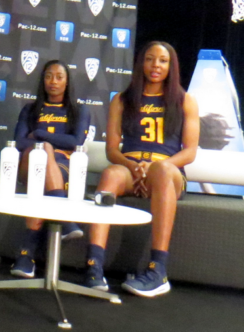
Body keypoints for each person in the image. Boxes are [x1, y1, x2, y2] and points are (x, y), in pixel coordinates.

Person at [84, 41, 200, 297]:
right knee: (110, 173)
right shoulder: (122, 99)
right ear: (141, 63)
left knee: (160, 170)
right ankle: (94, 266)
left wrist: (159, 165)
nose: (155, 65)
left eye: (162, 60)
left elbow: (190, 152)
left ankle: (158, 271)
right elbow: (112, 150)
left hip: (168, 172)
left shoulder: (185, 100)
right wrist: (132, 166)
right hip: (132, 169)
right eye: (150, 59)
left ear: (171, 66)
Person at [10, 60, 91, 278]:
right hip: (29, 164)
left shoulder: (79, 110)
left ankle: (26, 256)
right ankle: (65, 220)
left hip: (63, 168)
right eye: (48, 76)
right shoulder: (30, 109)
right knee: (41, 153)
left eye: (59, 77)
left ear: (67, 81)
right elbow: (18, 143)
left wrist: (40, 135)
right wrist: (47, 146)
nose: (53, 81)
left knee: (41, 178)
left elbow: (76, 142)